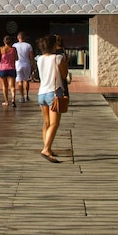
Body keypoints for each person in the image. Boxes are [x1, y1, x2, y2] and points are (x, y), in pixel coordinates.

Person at [36, 35, 69, 163]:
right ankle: (46, 149)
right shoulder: (58, 58)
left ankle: (47, 148)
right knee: (54, 123)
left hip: (41, 93)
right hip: (54, 92)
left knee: (46, 123)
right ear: (53, 45)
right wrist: (65, 64)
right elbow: (64, 74)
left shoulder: (39, 59)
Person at [0, 35, 18, 107]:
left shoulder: (1, 49)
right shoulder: (14, 49)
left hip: (3, 68)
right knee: (12, 86)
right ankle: (13, 99)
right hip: (11, 68)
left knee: (4, 86)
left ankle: (6, 101)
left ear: (4, 41)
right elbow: (17, 58)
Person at [14, 32, 36, 102]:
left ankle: (22, 96)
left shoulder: (14, 45)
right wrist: (33, 64)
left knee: (19, 81)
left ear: (18, 37)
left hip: (18, 64)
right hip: (26, 64)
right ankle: (26, 95)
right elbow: (31, 56)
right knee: (26, 80)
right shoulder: (28, 45)